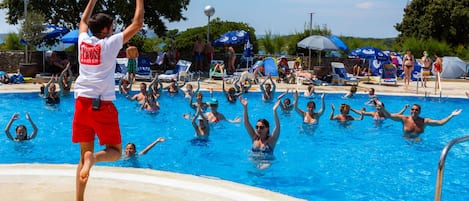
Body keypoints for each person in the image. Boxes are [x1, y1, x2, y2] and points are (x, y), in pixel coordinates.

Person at [72, 0, 144, 201]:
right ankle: (92, 159)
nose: (113, 31)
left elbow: (83, 20)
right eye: (111, 28)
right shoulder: (110, 44)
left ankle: (79, 199)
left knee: (82, 156)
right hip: (101, 105)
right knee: (115, 152)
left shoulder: (83, 41)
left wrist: (92, 1)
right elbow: (137, 23)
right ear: (105, 30)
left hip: (81, 104)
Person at [382, 104, 461, 139]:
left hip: (418, 142)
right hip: (405, 141)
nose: (414, 111)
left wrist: (451, 115)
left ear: (419, 112)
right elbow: (390, 116)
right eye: (412, 109)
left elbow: (440, 123)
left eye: (416, 110)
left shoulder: (424, 121)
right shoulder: (404, 118)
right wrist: (382, 109)